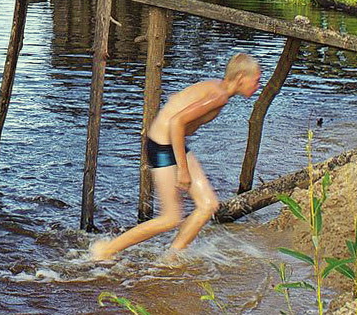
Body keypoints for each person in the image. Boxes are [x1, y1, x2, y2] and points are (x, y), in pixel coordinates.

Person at [90, 53, 262, 261]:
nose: (258, 85)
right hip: (162, 146)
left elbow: (176, 101)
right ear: (241, 76)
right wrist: (183, 169)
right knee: (170, 218)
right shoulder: (218, 95)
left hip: (173, 143)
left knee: (208, 205)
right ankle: (106, 251)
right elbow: (176, 122)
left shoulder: (216, 88)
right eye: (257, 80)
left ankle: (171, 258)